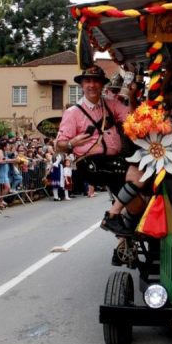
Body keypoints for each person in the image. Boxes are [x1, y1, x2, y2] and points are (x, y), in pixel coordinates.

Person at [56, 65, 136, 235]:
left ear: (102, 85)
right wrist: (71, 143)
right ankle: (111, 217)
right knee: (137, 175)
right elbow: (59, 145)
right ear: (82, 85)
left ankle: (125, 239)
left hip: (112, 161)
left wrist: (132, 96)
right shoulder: (72, 112)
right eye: (88, 81)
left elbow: (133, 119)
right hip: (91, 164)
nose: (92, 85)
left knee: (137, 202)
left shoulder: (110, 104)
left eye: (96, 81)